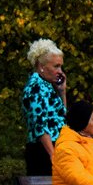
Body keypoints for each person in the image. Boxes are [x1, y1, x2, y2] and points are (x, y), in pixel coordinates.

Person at [21, 38, 67, 175]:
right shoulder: (36, 87)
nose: (60, 71)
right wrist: (53, 156)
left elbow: (63, 117)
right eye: (56, 66)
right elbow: (40, 126)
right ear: (41, 66)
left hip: (55, 148)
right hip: (43, 151)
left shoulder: (47, 86)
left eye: (61, 66)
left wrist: (62, 92)